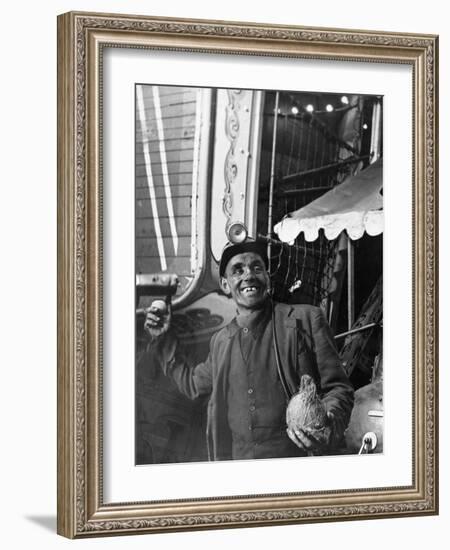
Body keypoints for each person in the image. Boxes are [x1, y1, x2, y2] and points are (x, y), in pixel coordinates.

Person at [144, 238, 354, 461]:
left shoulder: (307, 319)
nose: (248, 275)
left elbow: (339, 388)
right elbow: (194, 385)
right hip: (240, 469)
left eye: (257, 267)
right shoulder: (220, 342)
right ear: (225, 285)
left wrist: (327, 424)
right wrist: (163, 338)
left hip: (297, 463)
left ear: (267, 278)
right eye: (238, 270)